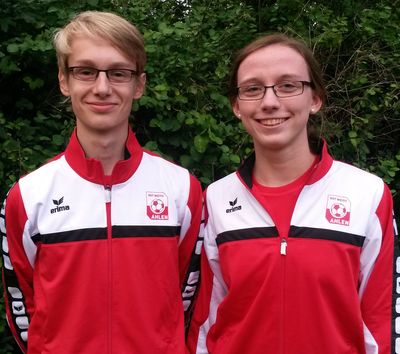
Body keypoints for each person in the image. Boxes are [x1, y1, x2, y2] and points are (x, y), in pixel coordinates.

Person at [1, 11, 202, 354]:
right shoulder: (28, 196)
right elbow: (23, 305)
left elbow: (186, 295)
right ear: (65, 80)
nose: (102, 87)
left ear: (139, 85)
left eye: (119, 73)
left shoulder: (182, 190)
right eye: (86, 71)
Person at [186, 33, 399, 354]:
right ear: (236, 106)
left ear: (315, 99)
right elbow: (206, 321)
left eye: (288, 85)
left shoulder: (367, 195)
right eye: (253, 88)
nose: (270, 102)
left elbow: (382, 321)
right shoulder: (216, 198)